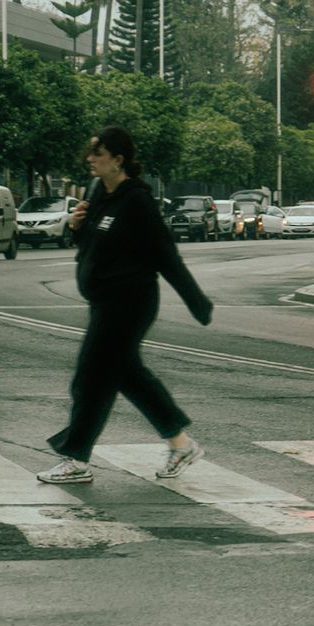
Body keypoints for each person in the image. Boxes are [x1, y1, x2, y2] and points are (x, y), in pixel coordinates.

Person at [37, 126, 214, 485]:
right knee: (127, 376)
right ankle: (180, 443)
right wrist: (75, 226)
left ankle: (75, 457)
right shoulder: (97, 192)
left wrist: (197, 301)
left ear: (118, 160)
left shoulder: (137, 202)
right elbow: (90, 243)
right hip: (104, 301)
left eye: (98, 155)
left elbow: (166, 255)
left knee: (91, 378)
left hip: (130, 302)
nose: (90, 160)